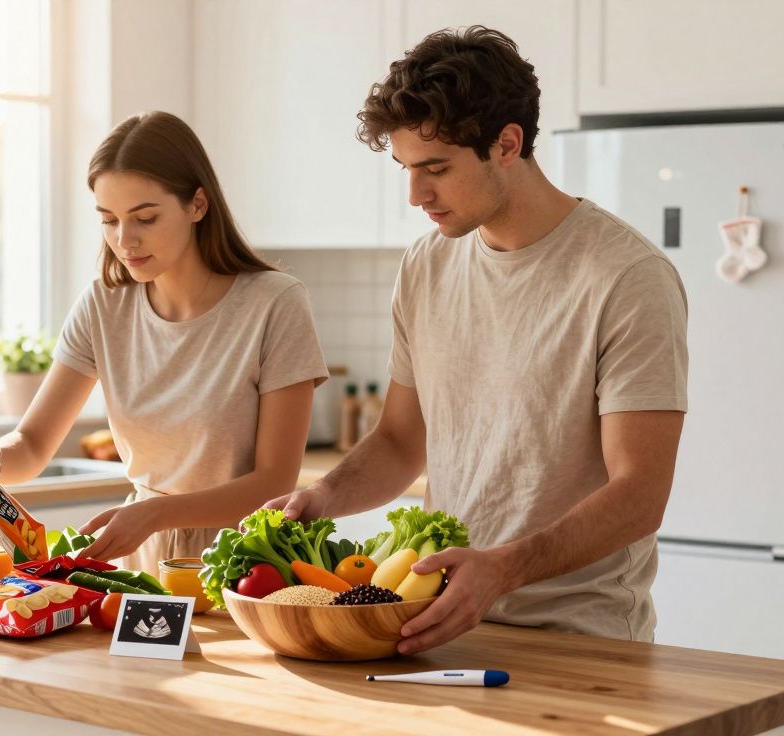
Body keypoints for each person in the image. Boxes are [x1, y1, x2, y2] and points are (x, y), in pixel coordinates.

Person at [266, 26, 688, 654]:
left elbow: (638, 496)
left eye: (436, 168)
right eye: (408, 169)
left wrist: (503, 569)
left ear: (507, 144)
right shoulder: (426, 266)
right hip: (441, 622)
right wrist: (324, 496)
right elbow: (401, 442)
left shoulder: (627, 277)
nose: (415, 195)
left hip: (581, 638)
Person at [0, 111, 328, 573]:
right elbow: (32, 442)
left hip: (248, 562)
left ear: (198, 205)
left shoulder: (275, 303)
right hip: (142, 559)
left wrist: (155, 513)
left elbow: (274, 482)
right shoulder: (105, 305)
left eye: (145, 218)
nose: (124, 241)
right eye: (109, 220)